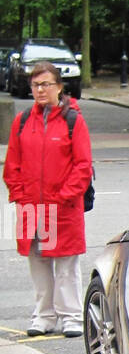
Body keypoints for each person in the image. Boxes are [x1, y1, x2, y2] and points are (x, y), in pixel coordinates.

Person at [3, 60, 93, 337]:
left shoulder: (72, 120)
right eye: (35, 85)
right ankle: (44, 315)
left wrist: (64, 196)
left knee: (65, 262)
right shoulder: (22, 121)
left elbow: (82, 165)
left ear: (59, 87)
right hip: (32, 205)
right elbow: (12, 164)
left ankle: (71, 316)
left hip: (61, 207)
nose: (40, 90)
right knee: (39, 260)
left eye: (46, 84)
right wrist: (19, 194)